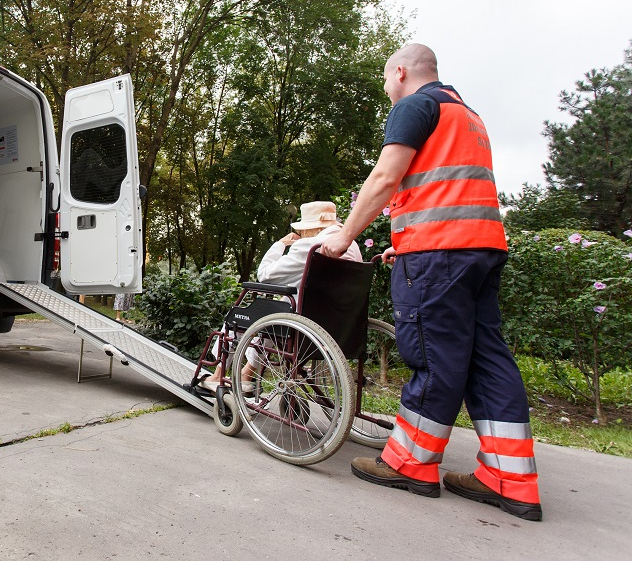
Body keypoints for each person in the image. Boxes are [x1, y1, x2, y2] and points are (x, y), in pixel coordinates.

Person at [319, 44, 541, 521]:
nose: (386, 89)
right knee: (487, 357)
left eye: (385, 80)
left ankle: (410, 464)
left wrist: (343, 235)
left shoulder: (415, 106)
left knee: (434, 355)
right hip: (479, 249)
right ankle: (510, 478)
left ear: (400, 72)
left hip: (439, 255)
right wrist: (411, 238)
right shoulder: (470, 117)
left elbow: (385, 178)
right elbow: (450, 190)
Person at [201, 201, 361, 391]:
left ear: (313, 229)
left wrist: (280, 244)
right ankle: (246, 373)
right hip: (342, 326)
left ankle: (218, 375)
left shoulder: (310, 246)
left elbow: (266, 276)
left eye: (303, 230)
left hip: (304, 326)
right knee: (278, 312)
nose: (301, 234)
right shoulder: (352, 246)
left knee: (239, 318)